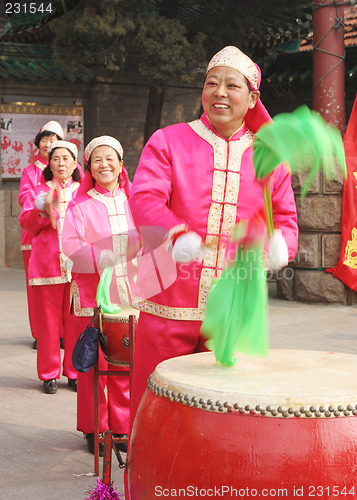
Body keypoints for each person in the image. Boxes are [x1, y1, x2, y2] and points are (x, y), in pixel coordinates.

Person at [128, 46, 299, 425]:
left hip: (233, 310)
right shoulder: (168, 140)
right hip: (166, 305)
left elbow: (285, 218)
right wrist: (174, 235)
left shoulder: (269, 157)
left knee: (223, 416)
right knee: (154, 408)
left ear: (253, 98)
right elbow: (144, 197)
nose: (219, 92)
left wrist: (279, 245)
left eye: (231, 86)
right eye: (211, 83)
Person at [62, 136, 140, 455]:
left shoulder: (136, 200)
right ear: (89, 168)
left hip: (130, 295)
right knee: (94, 367)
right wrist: (99, 256)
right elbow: (69, 246)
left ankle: (122, 426)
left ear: (121, 164)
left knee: (124, 363)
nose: (104, 165)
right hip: (92, 297)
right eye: (96, 160)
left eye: (110, 159)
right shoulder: (79, 206)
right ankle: (96, 428)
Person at [19, 140, 81, 394]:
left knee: (76, 323)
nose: (61, 163)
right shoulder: (38, 192)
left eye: (66, 158)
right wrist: (44, 212)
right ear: (49, 163)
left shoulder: (83, 191)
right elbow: (27, 223)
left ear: (75, 163)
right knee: (48, 324)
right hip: (46, 267)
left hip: (79, 268)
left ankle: (75, 372)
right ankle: (49, 373)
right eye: (56, 158)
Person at [18, 121, 64, 348]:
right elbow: (23, 199)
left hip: (65, 239)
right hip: (35, 238)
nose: (48, 144)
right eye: (45, 139)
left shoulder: (70, 171)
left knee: (67, 289)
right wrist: (42, 195)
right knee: (37, 289)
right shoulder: (30, 171)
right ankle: (40, 333)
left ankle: (64, 332)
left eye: (53, 139)